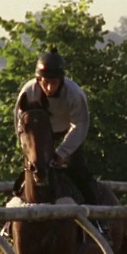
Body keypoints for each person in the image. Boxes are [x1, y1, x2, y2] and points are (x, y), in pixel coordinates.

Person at [13, 48, 99, 209]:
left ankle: (100, 221)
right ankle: (10, 223)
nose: (49, 88)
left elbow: (80, 124)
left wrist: (62, 153)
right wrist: (27, 148)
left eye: (54, 83)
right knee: (27, 174)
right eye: (45, 83)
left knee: (81, 174)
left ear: (62, 81)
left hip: (69, 133)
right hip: (40, 135)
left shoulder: (74, 94)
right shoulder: (28, 92)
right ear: (38, 80)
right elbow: (20, 124)